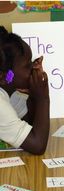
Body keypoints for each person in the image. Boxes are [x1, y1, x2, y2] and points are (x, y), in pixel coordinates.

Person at [0, 26, 50, 155]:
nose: (34, 68)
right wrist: (42, 99)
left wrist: (33, 96)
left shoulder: (11, 92)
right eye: (28, 65)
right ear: (5, 77)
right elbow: (37, 145)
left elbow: (28, 125)